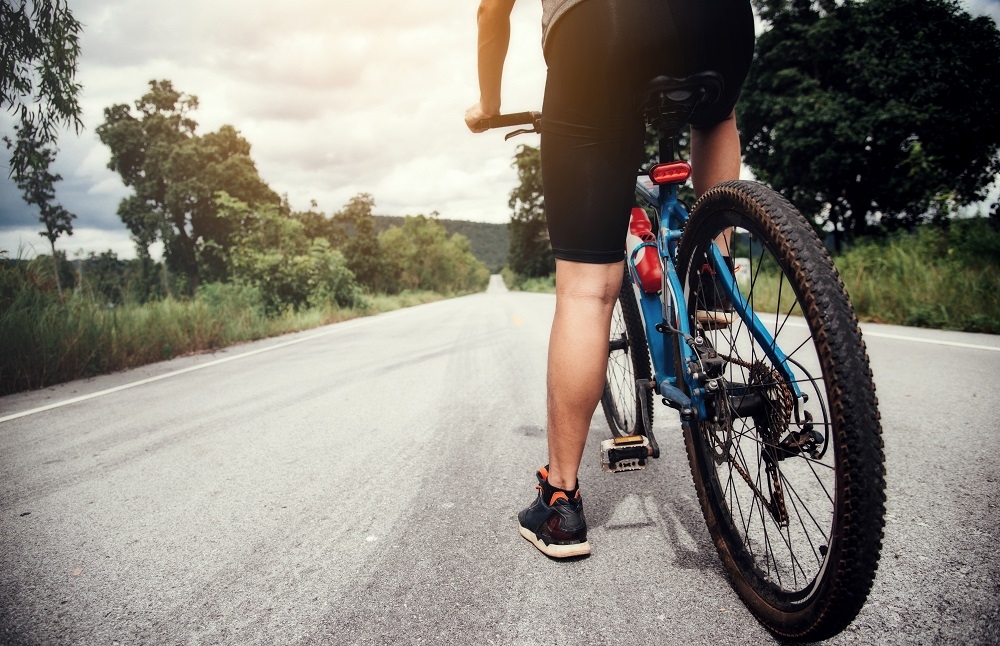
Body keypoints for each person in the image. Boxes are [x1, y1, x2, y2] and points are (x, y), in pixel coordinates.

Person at [466, 0, 755, 558]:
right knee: (716, 115)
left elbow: (491, 10)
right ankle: (711, 274)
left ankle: (560, 503)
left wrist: (489, 104)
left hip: (603, 27)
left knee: (586, 288)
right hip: (719, 21)